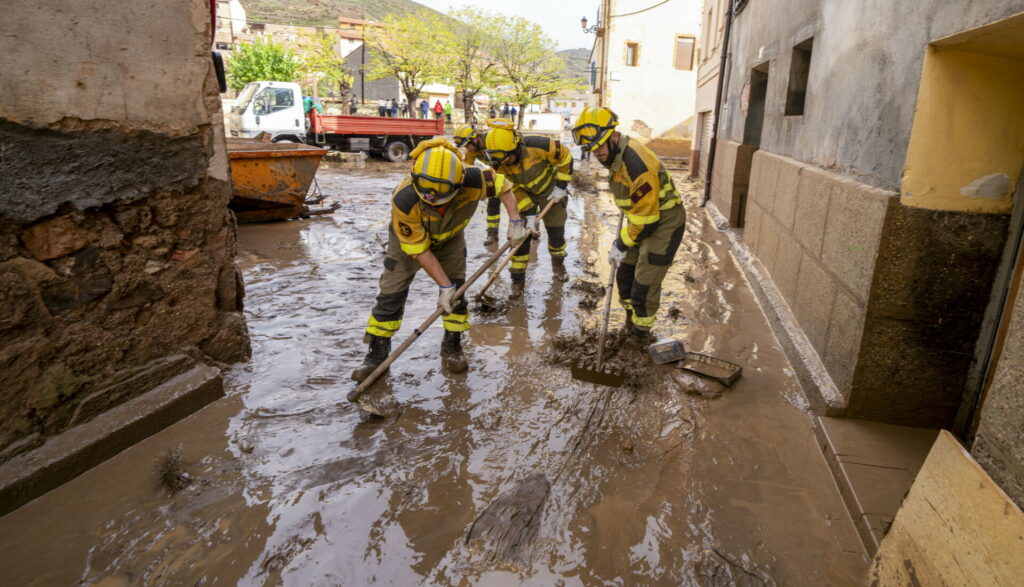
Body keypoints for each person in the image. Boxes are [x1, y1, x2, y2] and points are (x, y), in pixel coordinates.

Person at [351, 138, 535, 381]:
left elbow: (505, 186)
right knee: (390, 295)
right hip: (409, 245)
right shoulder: (404, 200)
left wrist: (514, 221)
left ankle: (452, 347)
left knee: (457, 297)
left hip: (451, 239)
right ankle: (376, 355)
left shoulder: (473, 178)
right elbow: (419, 250)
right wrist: (443, 285)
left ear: (458, 183)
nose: (432, 197)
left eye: (441, 193)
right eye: (426, 191)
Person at [571, 106, 685, 341]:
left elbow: (649, 220)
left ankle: (640, 336)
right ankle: (629, 323)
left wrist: (622, 242)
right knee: (625, 276)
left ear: (614, 136)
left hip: (664, 223)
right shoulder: (615, 157)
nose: (597, 153)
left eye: (600, 146)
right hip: (641, 220)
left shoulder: (637, 165)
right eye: (592, 149)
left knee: (643, 284)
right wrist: (624, 240)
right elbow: (638, 212)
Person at [484, 118, 574, 296]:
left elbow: (566, 157)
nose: (506, 162)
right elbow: (510, 188)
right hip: (524, 193)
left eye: (508, 157)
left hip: (551, 192)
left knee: (556, 236)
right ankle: (517, 283)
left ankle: (558, 267)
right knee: (519, 240)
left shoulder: (540, 145)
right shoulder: (498, 162)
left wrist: (561, 186)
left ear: (516, 146)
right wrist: (530, 213)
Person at [454, 124, 501, 247]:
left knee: (521, 203)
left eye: (468, 144)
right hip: (497, 175)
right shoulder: (472, 150)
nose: (467, 148)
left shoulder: (492, 140)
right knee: (492, 203)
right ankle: (492, 234)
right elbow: (466, 167)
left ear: (475, 138)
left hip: (512, 171)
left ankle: (529, 227)